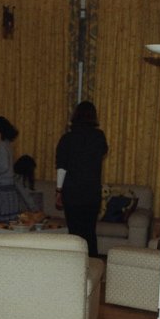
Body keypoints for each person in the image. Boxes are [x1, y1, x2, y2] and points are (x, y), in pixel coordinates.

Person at [55, 101, 108, 257]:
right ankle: (93, 264)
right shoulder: (99, 137)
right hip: (91, 192)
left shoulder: (67, 138)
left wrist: (59, 190)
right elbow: (103, 152)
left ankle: (76, 264)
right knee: (89, 232)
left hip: (72, 192)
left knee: (75, 233)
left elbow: (61, 168)